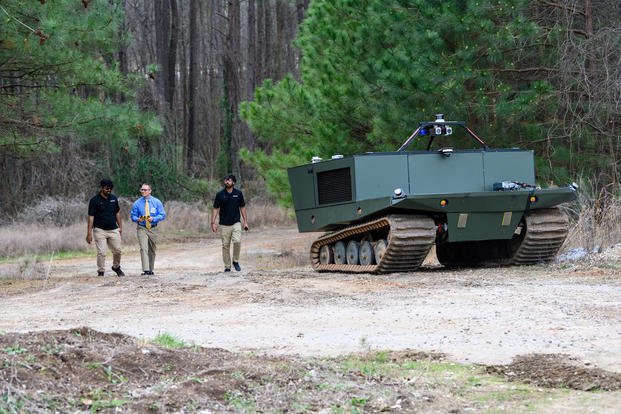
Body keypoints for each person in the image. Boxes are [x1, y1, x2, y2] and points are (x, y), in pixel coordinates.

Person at [86, 178, 125, 277]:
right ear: (101, 188)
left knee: (118, 250)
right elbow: (91, 217)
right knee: (102, 252)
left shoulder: (113, 198)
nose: (109, 190)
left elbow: (117, 213)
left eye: (110, 189)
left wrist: (120, 227)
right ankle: (101, 271)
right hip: (99, 230)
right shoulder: (94, 201)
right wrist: (89, 233)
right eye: (107, 188)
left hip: (113, 229)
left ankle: (116, 267)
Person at [211, 174, 249, 272]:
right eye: (226, 180)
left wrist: (245, 222)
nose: (227, 182)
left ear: (233, 182)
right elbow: (215, 208)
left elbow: (242, 207)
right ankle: (227, 266)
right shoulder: (219, 194)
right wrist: (213, 223)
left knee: (237, 241)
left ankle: (235, 261)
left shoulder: (238, 193)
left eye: (229, 180)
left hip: (236, 222)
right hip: (224, 224)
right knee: (225, 245)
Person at [130, 183, 166, 275]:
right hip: (142, 227)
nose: (143, 191)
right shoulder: (137, 203)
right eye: (142, 190)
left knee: (152, 250)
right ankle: (145, 270)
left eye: (145, 190)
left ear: (150, 191)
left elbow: (162, 215)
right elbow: (133, 216)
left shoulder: (156, 202)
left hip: (153, 228)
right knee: (143, 248)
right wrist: (137, 219)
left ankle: (150, 269)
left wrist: (154, 218)